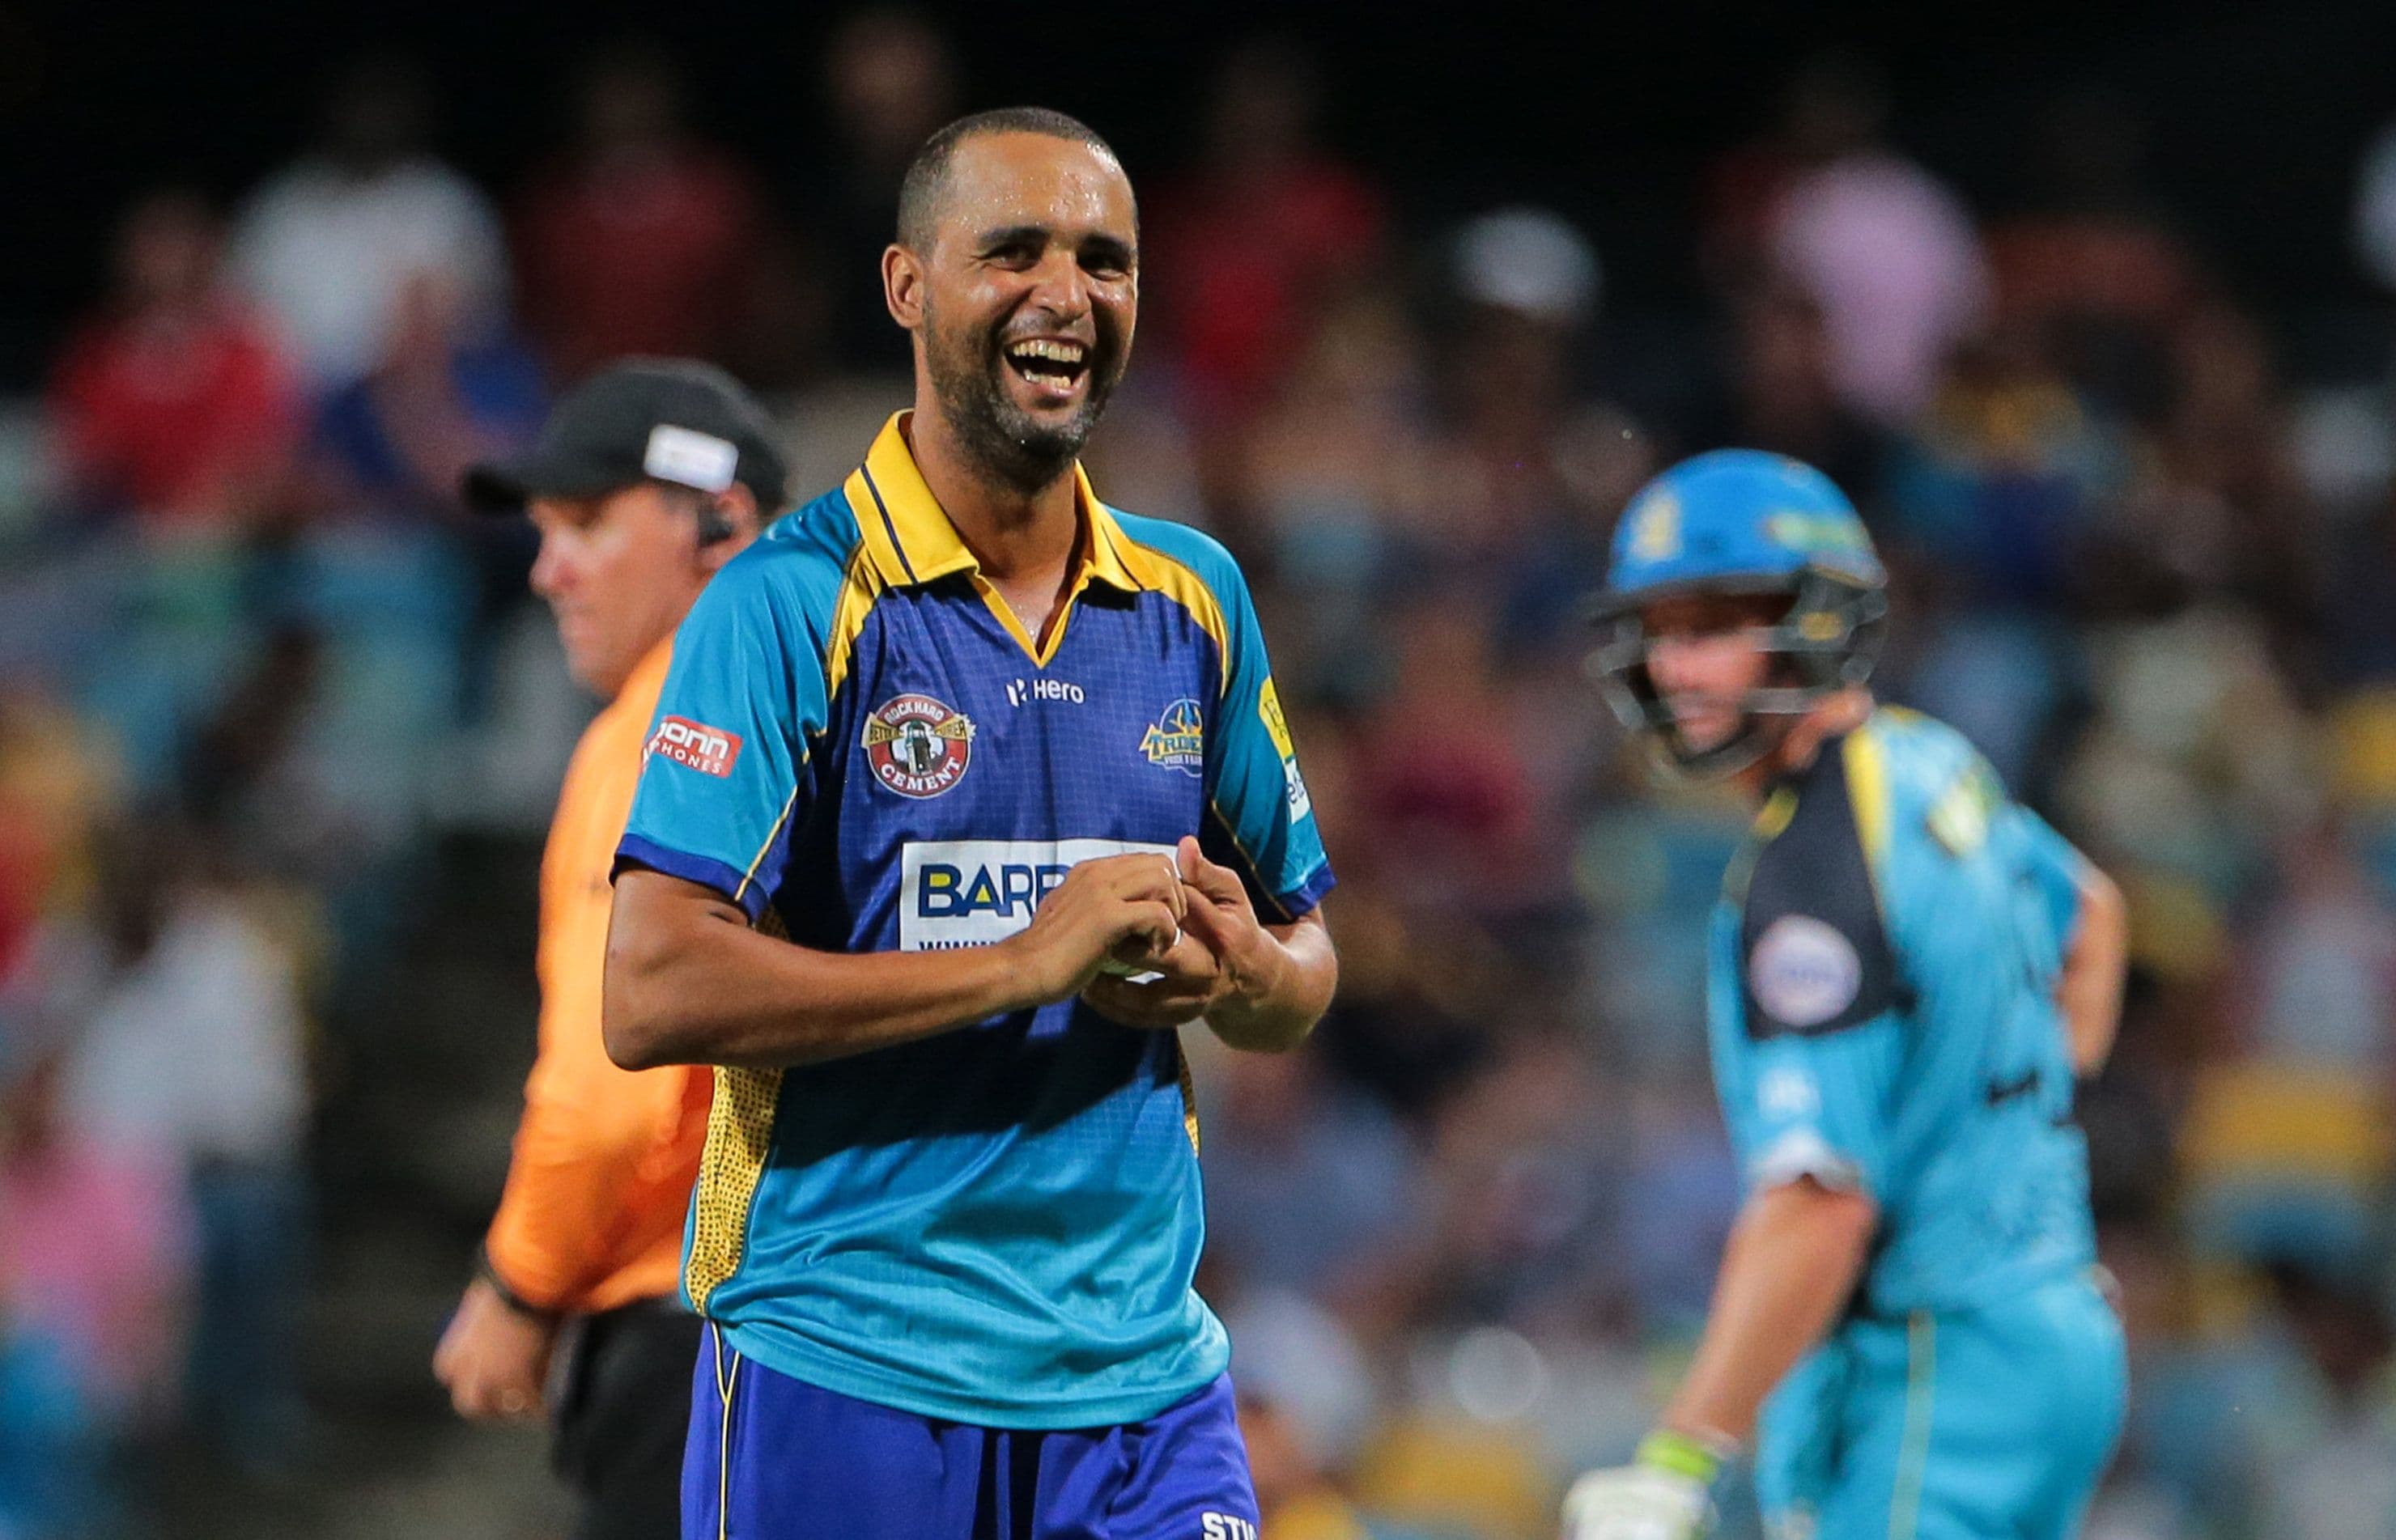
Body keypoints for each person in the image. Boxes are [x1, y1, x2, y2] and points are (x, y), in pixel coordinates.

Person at [601, 107, 1338, 1539]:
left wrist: (1247, 976)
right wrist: (1024, 962)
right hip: (851, 1363)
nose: (1067, 294)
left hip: (1141, 1381)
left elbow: (1306, 970)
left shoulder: (1195, 602)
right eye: (1014, 251)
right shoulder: (787, 604)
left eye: (1105, 261)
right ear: (906, 287)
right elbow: (651, 987)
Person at [1561, 451, 2130, 1540]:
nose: (1678, 666)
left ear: (1820, 620)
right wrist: (2005, 1156)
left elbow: (1819, 1206)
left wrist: (1679, 1460)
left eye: (1718, 624)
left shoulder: (1813, 872)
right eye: (1664, 628)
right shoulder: (1929, 760)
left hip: (1930, 1365)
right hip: (2049, 1333)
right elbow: (2092, 919)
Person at [431, 359, 791, 1540]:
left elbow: (611, 1097)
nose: (547, 569)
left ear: (719, 522)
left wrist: (517, 1284)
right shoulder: (872, 719)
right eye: (540, 532)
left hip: (695, 1328)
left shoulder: (659, 731)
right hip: (874, 1337)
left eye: (585, 523)